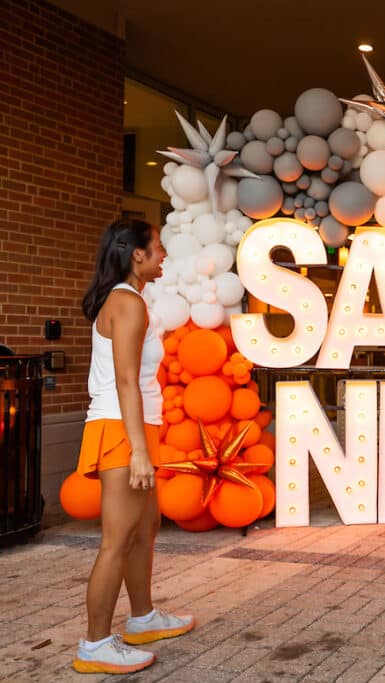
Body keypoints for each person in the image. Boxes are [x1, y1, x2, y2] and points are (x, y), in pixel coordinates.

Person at [72, 219, 194, 675]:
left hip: (137, 425)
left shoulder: (131, 299)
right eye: (158, 248)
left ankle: (142, 618)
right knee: (117, 540)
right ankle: (95, 644)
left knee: (146, 528)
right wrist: (138, 449)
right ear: (136, 254)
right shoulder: (127, 302)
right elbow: (125, 379)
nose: (164, 256)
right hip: (121, 428)